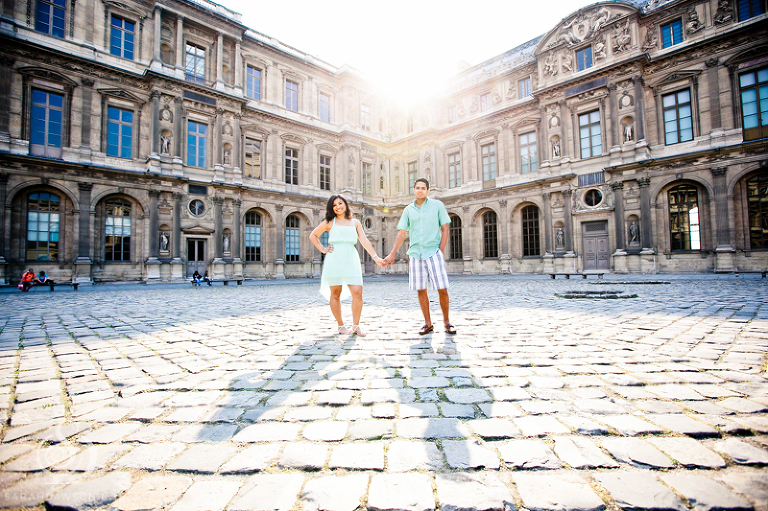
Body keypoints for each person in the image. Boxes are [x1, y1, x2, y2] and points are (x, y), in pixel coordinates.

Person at [383, 178, 455, 335]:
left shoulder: (437, 206)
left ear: (428, 191)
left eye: (423, 188)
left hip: (433, 252)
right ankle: (427, 323)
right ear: (414, 190)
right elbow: (402, 233)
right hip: (415, 254)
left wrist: (440, 251)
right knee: (421, 290)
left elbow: (445, 229)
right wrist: (392, 253)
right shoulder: (408, 210)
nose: (420, 190)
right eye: (418, 188)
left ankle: (447, 322)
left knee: (442, 289)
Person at [309, 195, 384, 336]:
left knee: (358, 292)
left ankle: (356, 326)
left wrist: (375, 257)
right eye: (334, 205)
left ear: (345, 204)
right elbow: (313, 236)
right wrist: (323, 249)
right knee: (335, 294)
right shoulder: (329, 222)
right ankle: (341, 326)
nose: (338, 207)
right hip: (334, 259)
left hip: (351, 258)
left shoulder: (355, 222)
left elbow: (364, 240)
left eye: (340, 203)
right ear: (331, 209)